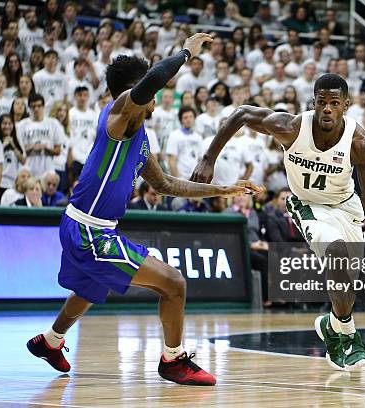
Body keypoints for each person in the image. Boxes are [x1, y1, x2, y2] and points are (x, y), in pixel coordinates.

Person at [26, 33, 262, 386]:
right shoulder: (120, 114)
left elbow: (166, 185)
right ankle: (173, 360)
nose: (156, 99)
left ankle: (51, 340)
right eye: (152, 93)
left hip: (94, 226)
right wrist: (186, 52)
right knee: (174, 284)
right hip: (89, 229)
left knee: (92, 287)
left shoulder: (139, 134)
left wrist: (224, 190)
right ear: (138, 91)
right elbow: (152, 81)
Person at [192, 74, 365, 371]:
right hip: (308, 205)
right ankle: (350, 333)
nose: (327, 109)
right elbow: (241, 113)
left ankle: (332, 326)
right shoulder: (292, 128)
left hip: (346, 207)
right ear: (314, 103)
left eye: (335, 103)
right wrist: (208, 159)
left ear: (346, 105)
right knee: (335, 253)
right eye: (322, 102)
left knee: (347, 287)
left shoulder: (360, 143)